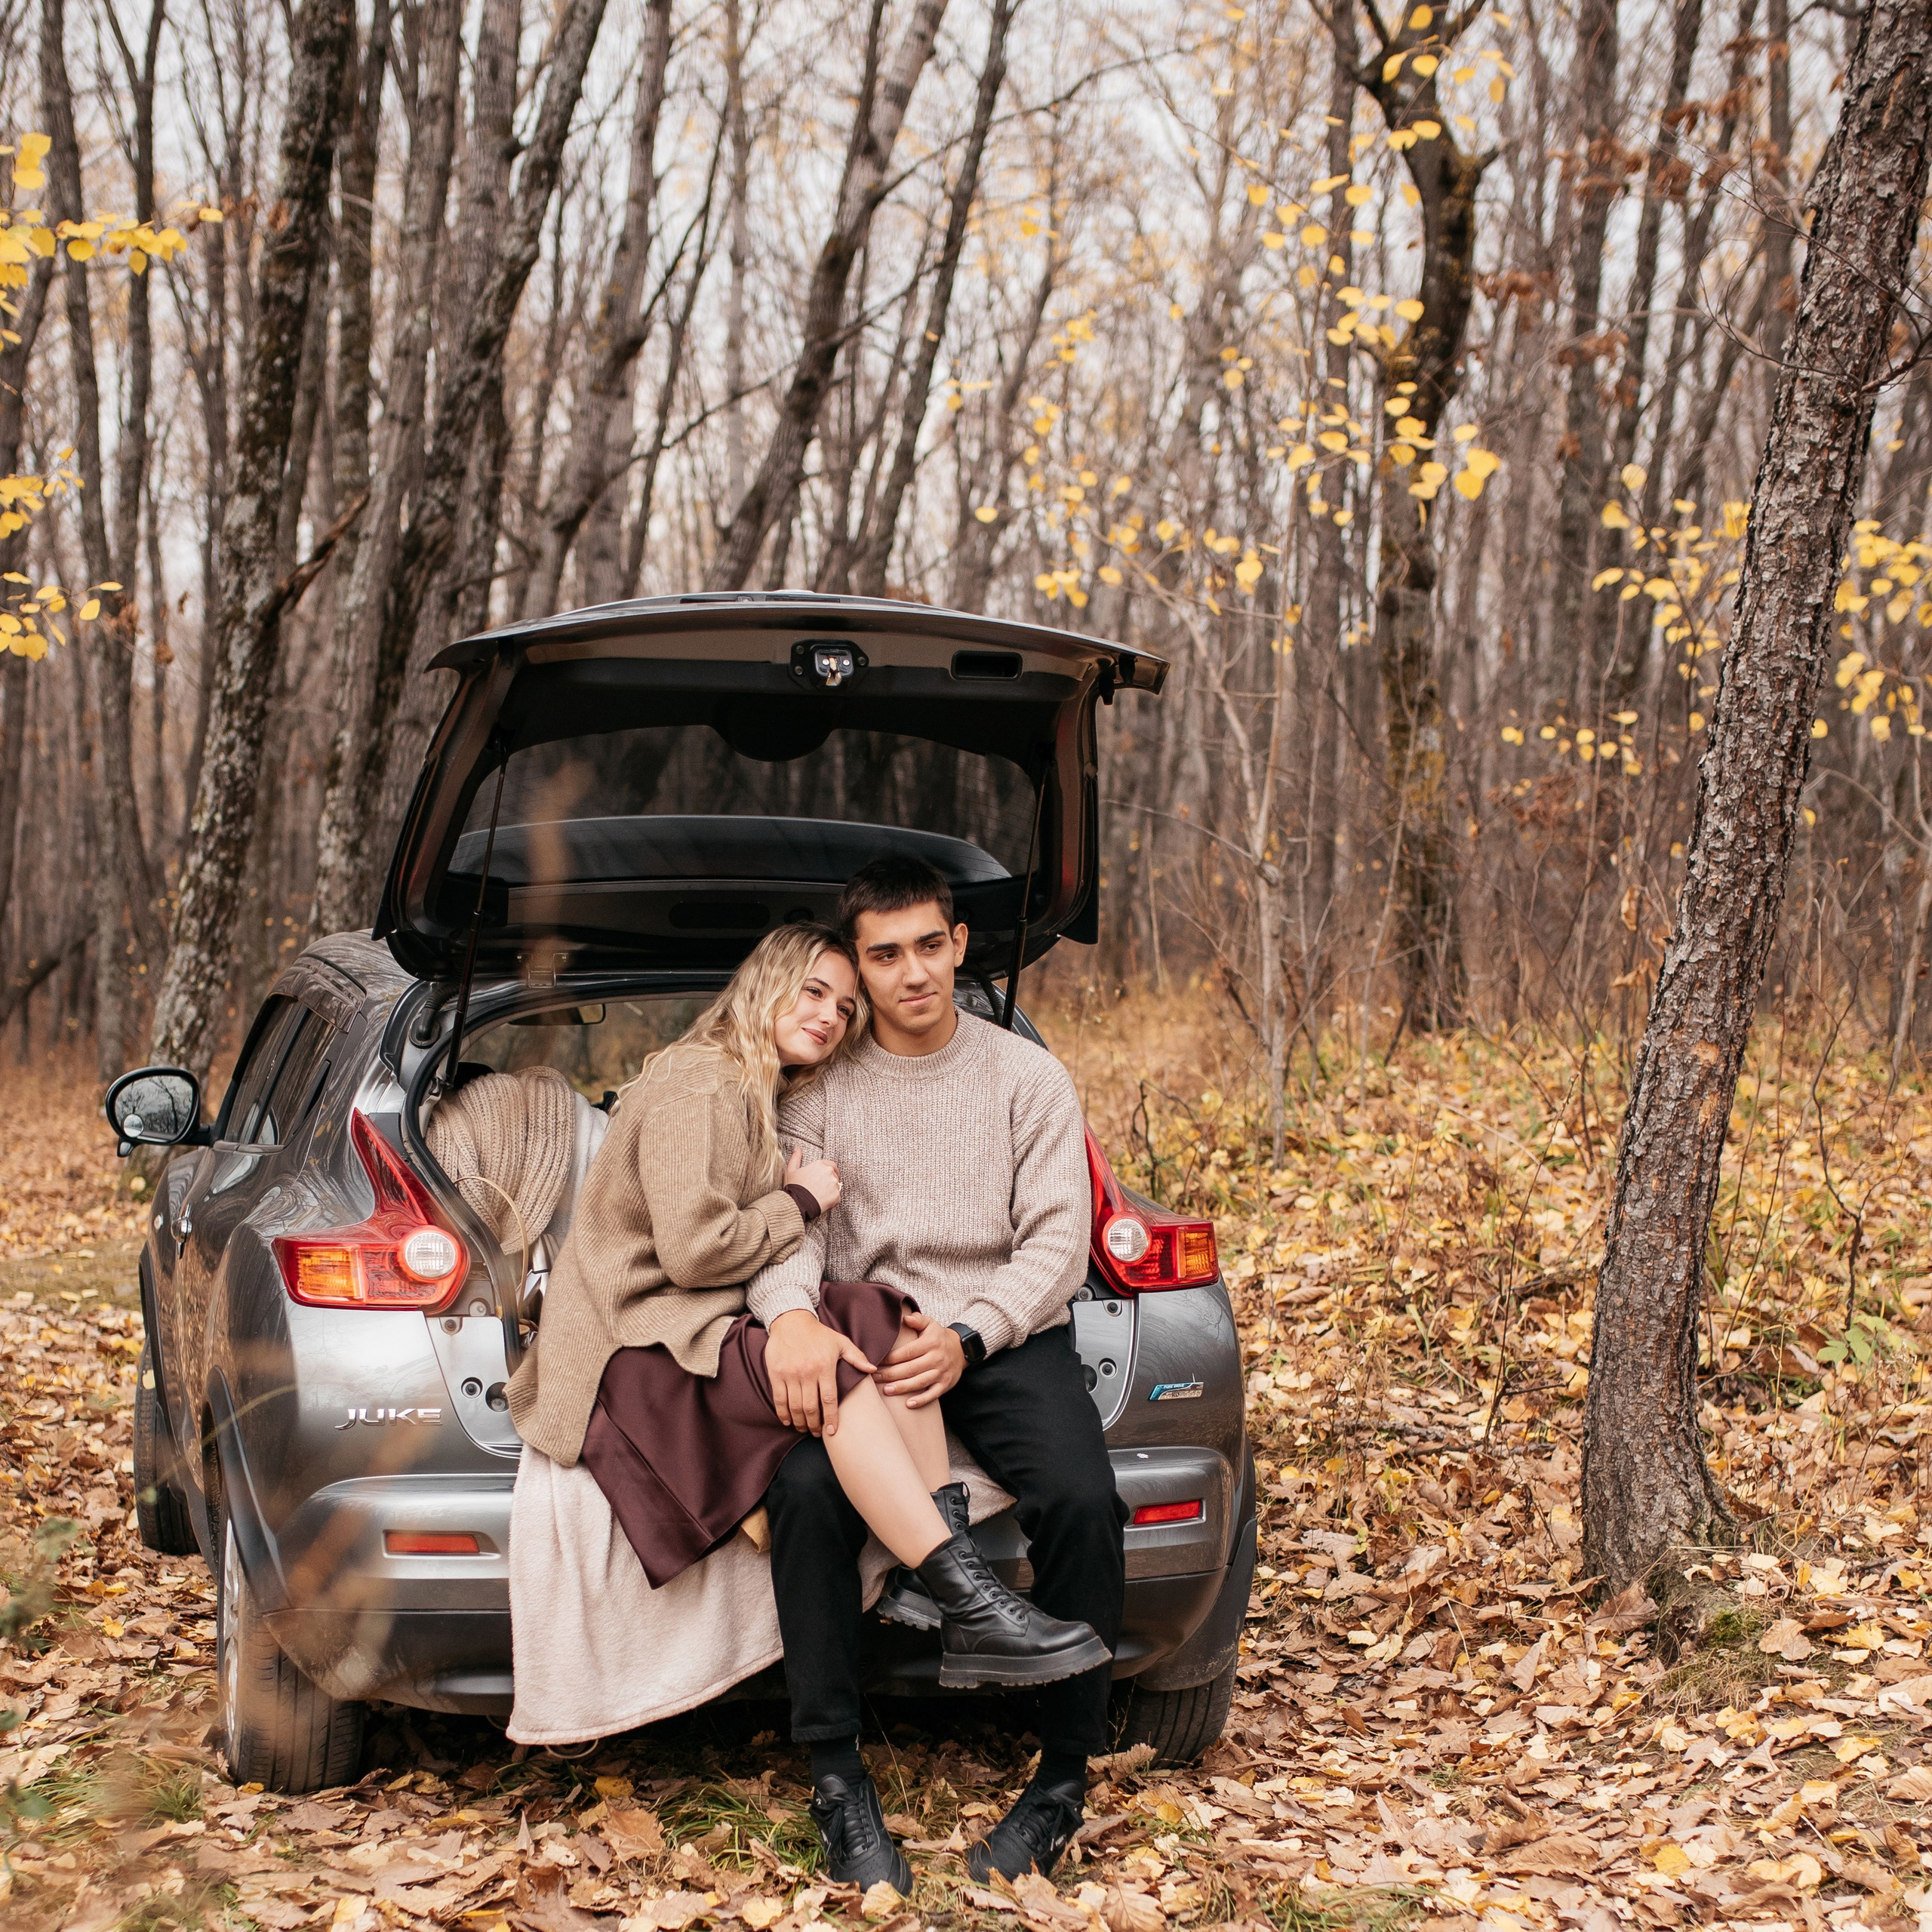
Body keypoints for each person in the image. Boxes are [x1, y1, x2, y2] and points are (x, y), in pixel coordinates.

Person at [504, 924, 1104, 1826]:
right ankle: (954, 1597)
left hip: (699, 1315)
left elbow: (1057, 1239)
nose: (829, 1015)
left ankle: (945, 1589)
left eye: (842, 1006)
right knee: (840, 1380)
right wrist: (798, 1210)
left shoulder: (758, 1087)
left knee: (875, 1318)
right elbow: (699, 1249)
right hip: (635, 1339)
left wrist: (931, 1318)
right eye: (813, 991)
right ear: (765, 981)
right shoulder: (701, 1082)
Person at [749, 859, 1128, 1888]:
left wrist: (971, 1333)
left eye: (928, 945)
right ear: (858, 965)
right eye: (884, 955)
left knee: (1083, 1498)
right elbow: (787, 1234)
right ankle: (838, 1779)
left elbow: (1058, 1242)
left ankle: (1062, 1779)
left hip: (999, 1336)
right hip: (864, 1338)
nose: (911, 972)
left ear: (958, 944)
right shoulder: (818, 1090)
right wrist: (792, 1319)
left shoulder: (1027, 1077)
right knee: (803, 1494)